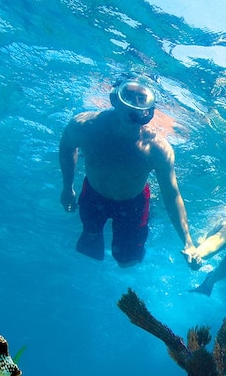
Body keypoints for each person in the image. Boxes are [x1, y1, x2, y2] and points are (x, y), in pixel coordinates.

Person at [59, 78, 198, 267]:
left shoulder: (156, 148)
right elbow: (67, 148)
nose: (134, 104)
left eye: (142, 98)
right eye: (128, 96)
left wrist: (188, 241)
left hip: (133, 205)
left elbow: (172, 195)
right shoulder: (84, 126)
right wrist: (67, 188)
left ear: (149, 109)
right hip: (93, 196)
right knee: (89, 240)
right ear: (114, 99)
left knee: (127, 261)